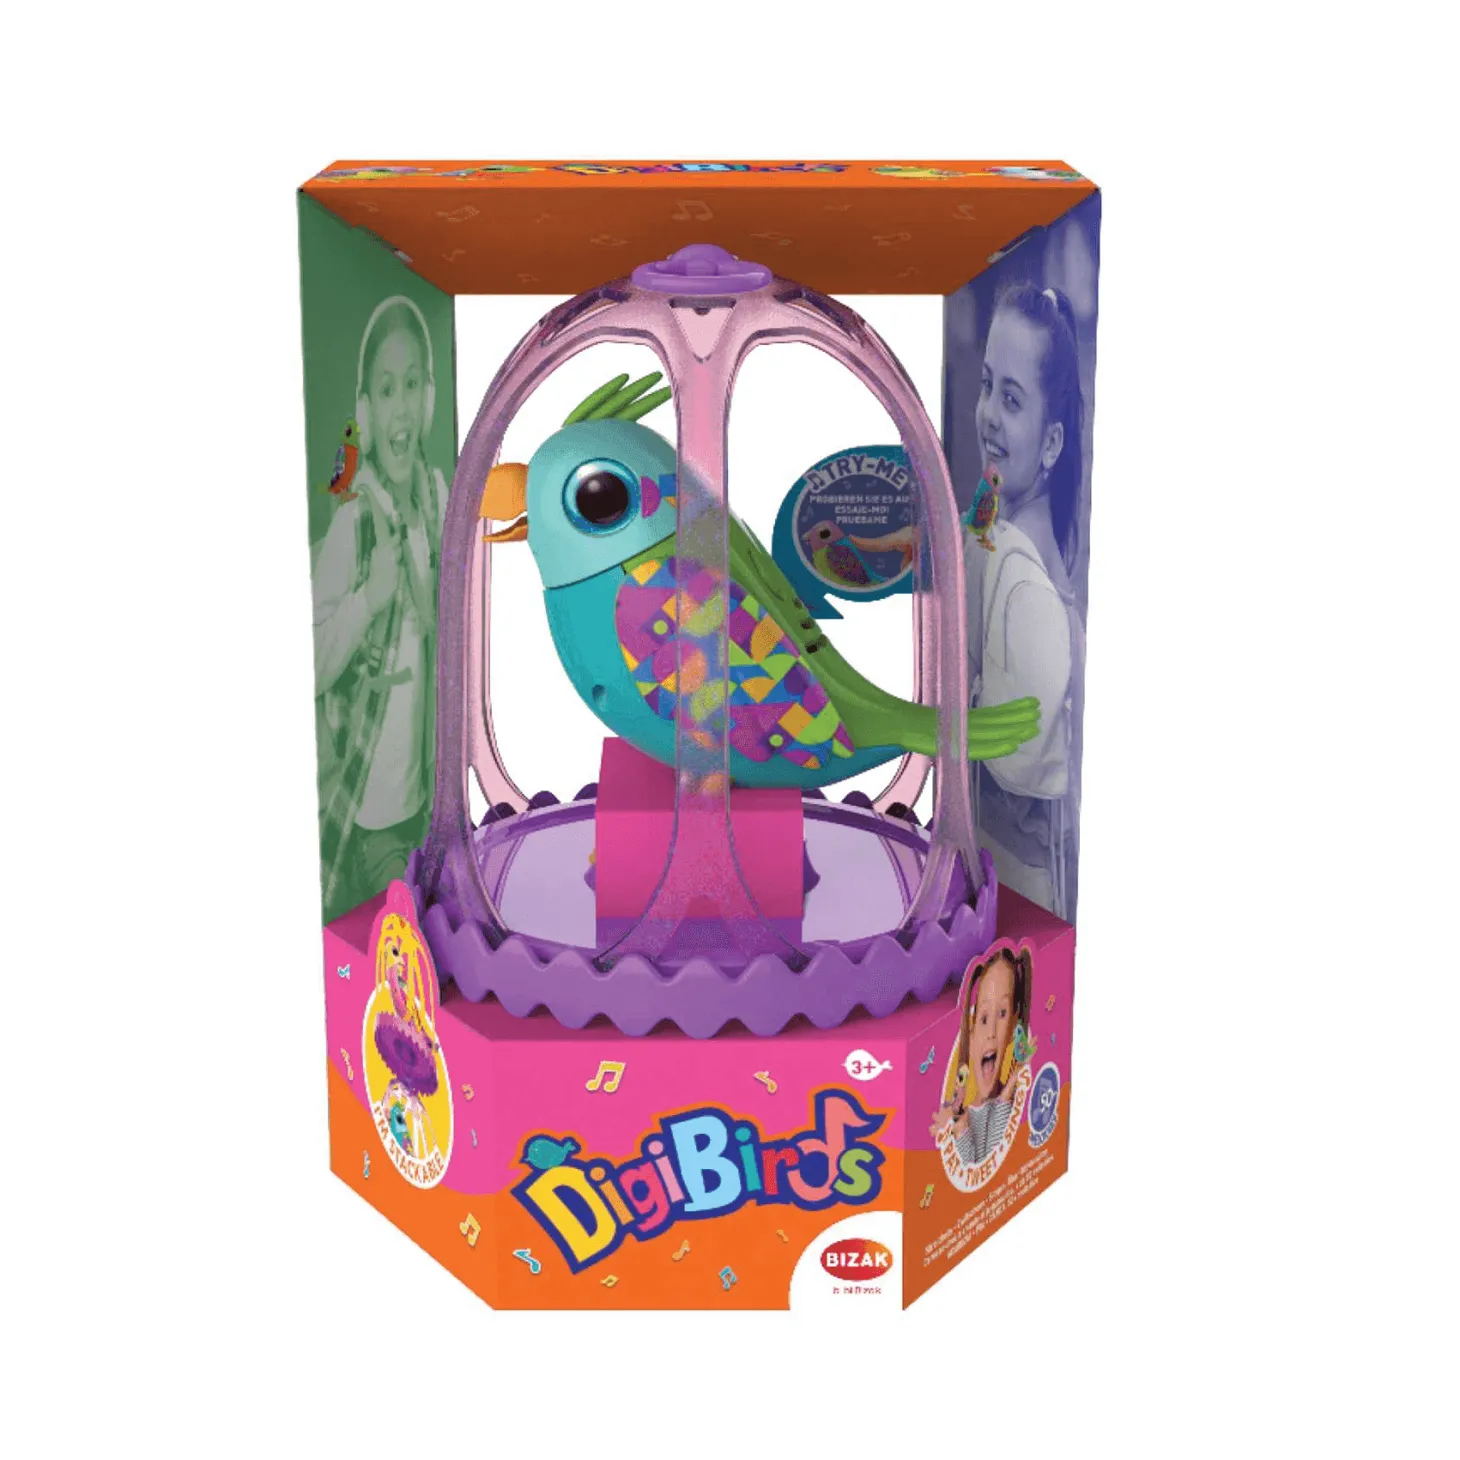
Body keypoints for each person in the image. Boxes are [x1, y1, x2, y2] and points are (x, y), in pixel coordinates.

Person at [312, 296, 446, 920]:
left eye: (412, 385)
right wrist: (369, 599)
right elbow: (310, 662)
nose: (402, 407)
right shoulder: (354, 525)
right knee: (401, 942)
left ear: (428, 400)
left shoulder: (434, 503)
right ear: (366, 411)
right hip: (368, 821)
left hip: (427, 804)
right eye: (386, 390)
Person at [967, 283, 1086, 919]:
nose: (988, 413)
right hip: (1001, 864)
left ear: (1051, 444)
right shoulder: (1001, 528)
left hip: (1018, 879)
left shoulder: (1025, 579)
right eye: (987, 385)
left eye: (1011, 400)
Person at [931, 947, 1032, 1165]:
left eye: (1002, 1014)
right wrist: (958, 1126)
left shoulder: (1011, 1104)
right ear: (972, 1032)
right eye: (984, 1019)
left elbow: (993, 1159)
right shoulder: (964, 1115)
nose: (991, 1032)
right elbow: (973, 1166)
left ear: (1012, 1026)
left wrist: (1006, 1094)